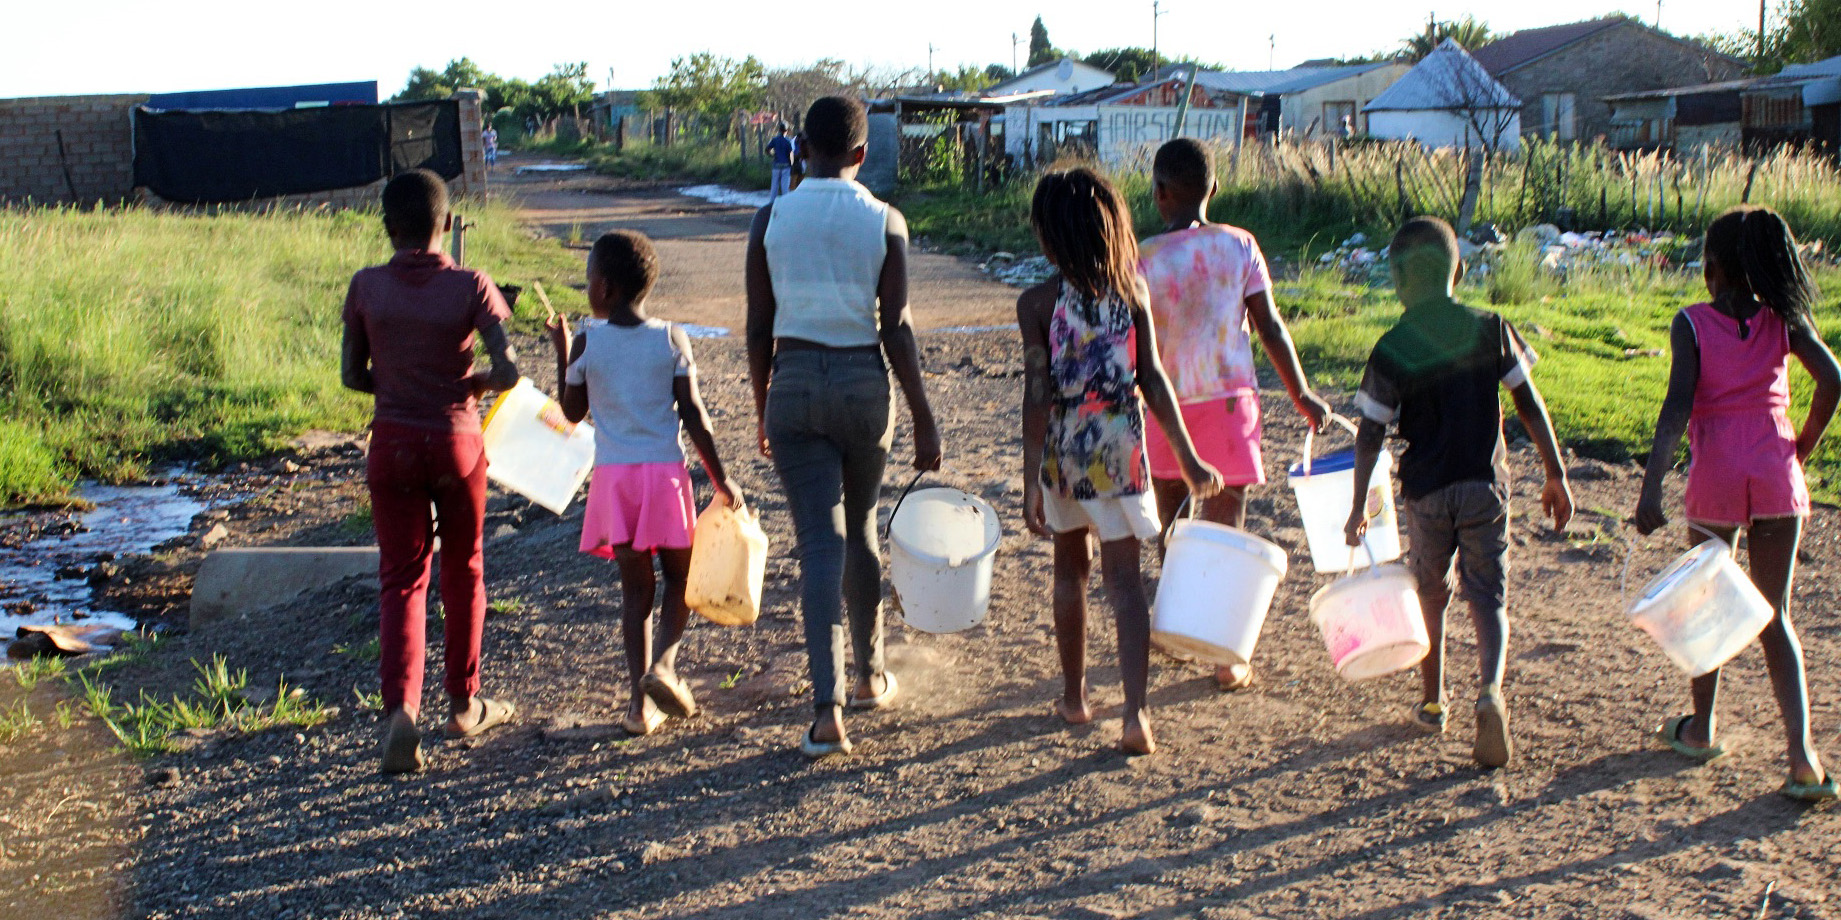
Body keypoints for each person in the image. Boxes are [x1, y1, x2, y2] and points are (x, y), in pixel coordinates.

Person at [745, 96, 944, 758]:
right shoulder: (887, 220)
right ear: (861, 154)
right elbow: (897, 325)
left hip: (793, 382)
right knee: (859, 529)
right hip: (864, 386)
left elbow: (756, 322)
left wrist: (760, 400)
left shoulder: (769, 217)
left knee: (816, 542)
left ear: (799, 148)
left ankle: (826, 708)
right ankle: (868, 677)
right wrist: (921, 413)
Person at [1344, 216, 1572, 770]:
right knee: (1488, 594)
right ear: (1460, 270)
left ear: (1397, 279)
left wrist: (1357, 506)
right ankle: (1490, 690)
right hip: (1482, 485)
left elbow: (1371, 432)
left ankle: (1432, 699)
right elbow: (1528, 403)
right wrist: (1555, 471)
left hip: (1425, 491)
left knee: (1430, 592)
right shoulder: (1490, 326)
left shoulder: (1393, 346)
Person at [1634, 205, 1840, 802]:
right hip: (1776, 471)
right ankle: (1803, 760)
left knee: (1706, 604)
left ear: (1714, 268)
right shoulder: (1785, 320)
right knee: (1776, 614)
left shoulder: (1692, 323)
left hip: (1719, 474)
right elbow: (1832, 380)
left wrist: (1651, 487)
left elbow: (1677, 407)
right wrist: (1801, 444)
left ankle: (1700, 729)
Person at [1019, 167, 1225, 757]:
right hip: (1121, 452)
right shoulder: (1133, 294)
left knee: (1069, 572)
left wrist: (1032, 475)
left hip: (1064, 453)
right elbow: (1152, 379)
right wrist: (1186, 457)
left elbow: (1037, 393)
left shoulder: (1036, 302)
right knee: (1127, 583)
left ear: (1050, 237)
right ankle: (1136, 717)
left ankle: (1075, 697)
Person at [341, 169, 520, 774]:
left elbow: (351, 376)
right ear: (447, 224)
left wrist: (394, 385)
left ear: (389, 227)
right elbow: (511, 369)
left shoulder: (366, 287)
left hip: (392, 442)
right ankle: (465, 705)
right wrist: (471, 383)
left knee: (401, 579)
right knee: (464, 569)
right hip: (457, 443)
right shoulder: (472, 284)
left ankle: (402, 714)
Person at [1137, 138, 1331, 692]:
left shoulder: (1142, 256)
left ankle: (1174, 627)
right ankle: (1227, 657)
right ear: (1214, 190)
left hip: (1165, 409)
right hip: (1228, 406)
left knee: (1173, 526)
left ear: (1159, 193)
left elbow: (1135, 344)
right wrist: (1301, 392)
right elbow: (1269, 326)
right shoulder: (1240, 245)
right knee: (1228, 529)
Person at [546, 230, 743, 737]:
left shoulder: (588, 340)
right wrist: (722, 480)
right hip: (664, 478)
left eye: (589, 278)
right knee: (680, 580)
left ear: (605, 288)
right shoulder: (671, 338)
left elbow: (571, 413)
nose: (587, 286)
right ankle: (666, 667)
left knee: (636, 593)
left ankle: (639, 707)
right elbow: (695, 415)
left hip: (615, 482)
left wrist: (564, 351)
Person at [765, 122, 795, 202]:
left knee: (774, 185)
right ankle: (785, 202)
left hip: (776, 165)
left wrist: (772, 155)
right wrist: (791, 164)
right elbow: (791, 154)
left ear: (779, 130)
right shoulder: (788, 141)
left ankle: (772, 203)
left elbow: (767, 149)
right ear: (787, 130)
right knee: (785, 186)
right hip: (786, 166)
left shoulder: (774, 140)